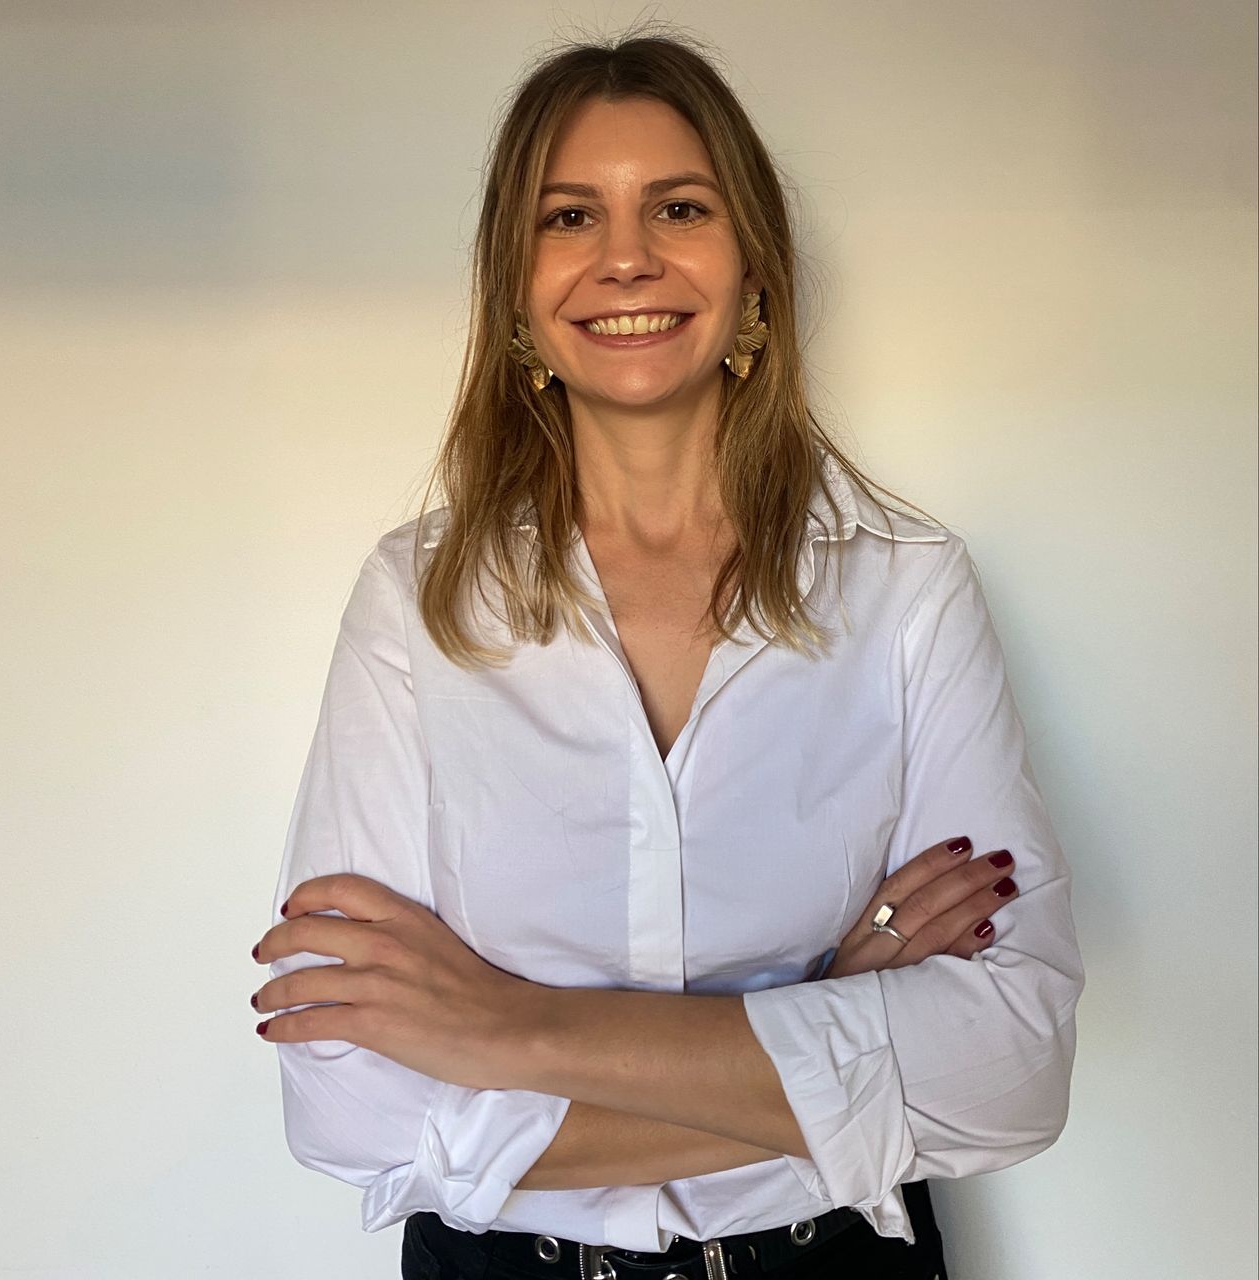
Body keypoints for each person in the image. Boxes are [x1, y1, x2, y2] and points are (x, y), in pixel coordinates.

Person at [248, 27, 1084, 1280]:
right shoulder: (415, 601)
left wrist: (508, 1027)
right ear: (515, 293)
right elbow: (347, 1103)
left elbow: (1013, 1071)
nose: (625, 255)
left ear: (755, 274)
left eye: (678, 207)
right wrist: (834, 1016)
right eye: (568, 216)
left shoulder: (907, 587)